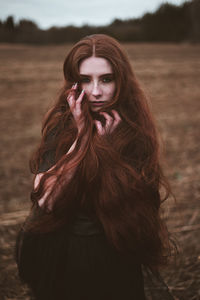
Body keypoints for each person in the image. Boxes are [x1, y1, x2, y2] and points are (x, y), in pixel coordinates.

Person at [16, 34, 175, 300]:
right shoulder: (62, 125)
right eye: (86, 80)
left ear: (120, 80)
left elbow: (138, 205)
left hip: (115, 253)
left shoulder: (133, 129)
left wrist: (108, 151)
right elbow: (47, 200)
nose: (96, 91)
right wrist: (83, 139)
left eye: (106, 79)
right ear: (74, 83)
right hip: (64, 255)